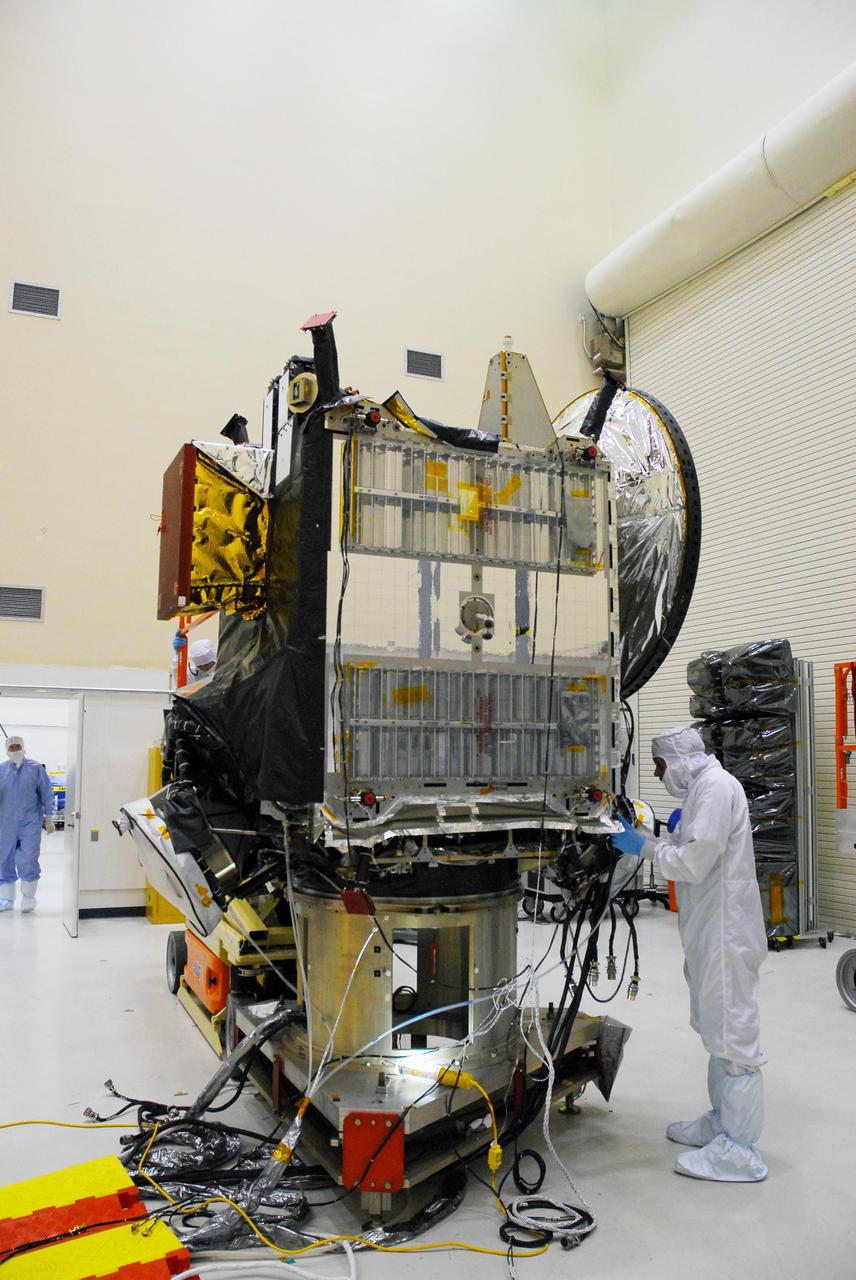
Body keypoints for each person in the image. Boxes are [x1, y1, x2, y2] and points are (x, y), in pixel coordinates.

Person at [611, 725, 768, 1183]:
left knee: (733, 1035)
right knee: (715, 1028)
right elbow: (696, 849)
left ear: (679, 759)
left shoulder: (716, 789)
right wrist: (669, 839)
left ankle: (740, 1152)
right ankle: (723, 1123)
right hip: (709, 929)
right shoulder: (705, 788)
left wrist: (644, 847)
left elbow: (695, 862)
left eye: (660, 767)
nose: (659, 776)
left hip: (726, 933)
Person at [0, 736, 55, 913]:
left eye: (18, 746)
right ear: (7, 749)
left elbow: (47, 791)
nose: (15, 750)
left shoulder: (35, 768)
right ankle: (6, 898)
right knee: (4, 859)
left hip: (30, 822)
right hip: (5, 822)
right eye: (12, 747)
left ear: (23, 748)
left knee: (28, 858)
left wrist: (49, 816)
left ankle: (28, 897)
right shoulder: (1, 770)